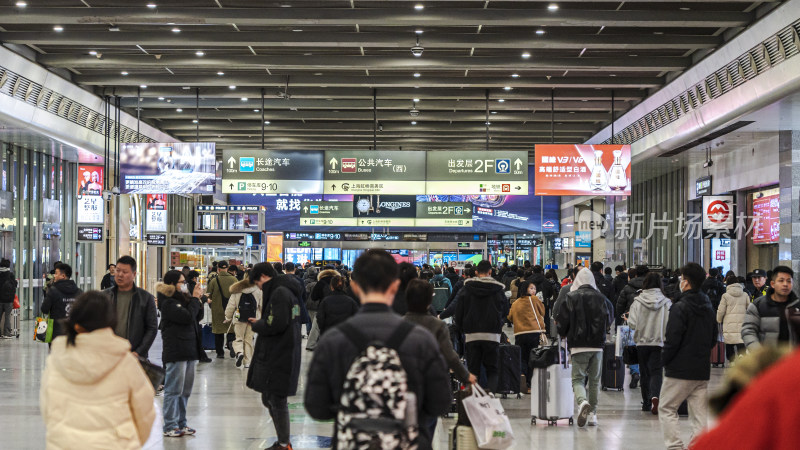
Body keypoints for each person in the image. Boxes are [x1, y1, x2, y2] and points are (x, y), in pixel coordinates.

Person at [304, 250, 450, 449]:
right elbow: (440, 403)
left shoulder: (333, 340)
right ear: (396, 286)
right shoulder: (421, 340)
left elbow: (316, 407)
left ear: (354, 285)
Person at [40, 291, 155, 449]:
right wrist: (129, 442)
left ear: (76, 322)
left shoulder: (57, 358)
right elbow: (145, 413)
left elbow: (47, 406)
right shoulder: (125, 361)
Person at [658, 262, 717, 450]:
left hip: (679, 369)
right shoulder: (708, 305)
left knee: (667, 408)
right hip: (701, 368)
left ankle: (675, 446)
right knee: (699, 414)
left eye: (682, 278)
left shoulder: (680, 306)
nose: (679, 281)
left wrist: (665, 360)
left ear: (687, 282)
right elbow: (713, 338)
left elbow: (672, 339)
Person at [246, 263, 303, 450]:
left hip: (279, 353)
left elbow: (276, 324)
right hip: (284, 349)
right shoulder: (289, 291)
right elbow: (288, 318)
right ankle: (283, 441)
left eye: (257, 282)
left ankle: (284, 443)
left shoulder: (279, 293)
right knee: (269, 397)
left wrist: (258, 325)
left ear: (263, 276)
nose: (259, 287)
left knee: (276, 399)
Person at [556, 268, 612, 428]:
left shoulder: (571, 297)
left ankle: (582, 403)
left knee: (578, 379)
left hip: (578, 345)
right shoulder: (601, 298)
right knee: (595, 381)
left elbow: (563, 321)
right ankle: (593, 414)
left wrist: (563, 333)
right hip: (598, 346)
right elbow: (608, 317)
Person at [157, 270, 204, 437]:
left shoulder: (184, 299)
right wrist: (195, 299)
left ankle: (181, 423)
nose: (184, 285)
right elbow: (186, 317)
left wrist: (197, 300)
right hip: (176, 350)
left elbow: (196, 316)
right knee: (173, 390)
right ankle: (169, 425)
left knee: (185, 390)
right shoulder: (167, 302)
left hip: (190, 349)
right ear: (172, 284)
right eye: (181, 282)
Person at [454, 259, 509, 390]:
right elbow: (505, 311)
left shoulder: (467, 289)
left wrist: (462, 329)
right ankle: (490, 398)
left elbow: (459, 311)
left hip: (472, 334)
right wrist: (498, 324)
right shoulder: (498, 290)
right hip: (492, 335)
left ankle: (475, 399)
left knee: (473, 370)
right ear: (490, 272)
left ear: (477, 272)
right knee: (492, 369)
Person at [627, 272, 671, 415]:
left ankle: (646, 403)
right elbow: (671, 323)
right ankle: (655, 397)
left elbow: (632, 324)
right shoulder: (666, 302)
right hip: (659, 342)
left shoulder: (637, 302)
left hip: (642, 343)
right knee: (657, 372)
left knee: (644, 373)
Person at [104, 256, 158, 359]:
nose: (120, 275)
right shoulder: (104, 296)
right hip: (109, 355)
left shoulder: (145, 298)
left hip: (135, 355)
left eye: (124, 272)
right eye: (118, 270)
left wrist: (139, 352)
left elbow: (152, 328)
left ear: (134, 274)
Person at [741, 266, 798, 350]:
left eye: (788, 281)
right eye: (781, 281)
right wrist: (758, 352)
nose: (785, 284)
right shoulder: (757, 303)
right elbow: (748, 330)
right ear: (773, 284)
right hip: (767, 358)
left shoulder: (797, 305)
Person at [507, 281, 546, 389]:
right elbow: (542, 312)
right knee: (532, 356)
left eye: (534, 288)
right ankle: (529, 381)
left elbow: (509, 317)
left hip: (520, 333)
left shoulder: (515, 303)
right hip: (533, 332)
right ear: (525, 289)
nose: (534, 291)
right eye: (531, 288)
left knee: (522, 357)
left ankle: (522, 377)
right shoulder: (534, 299)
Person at [616, 265, 648, 387]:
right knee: (645, 347)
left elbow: (619, 305)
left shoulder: (627, 288)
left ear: (634, 275)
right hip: (648, 323)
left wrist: (622, 316)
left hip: (631, 321)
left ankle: (635, 372)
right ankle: (645, 373)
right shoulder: (651, 288)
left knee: (632, 347)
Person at [224, 271, 263, 368]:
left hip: (239, 317)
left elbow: (231, 305)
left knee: (239, 338)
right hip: (253, 319)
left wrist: (228, 317)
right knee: (249, 339)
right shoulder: (258, 289)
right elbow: (262, 305)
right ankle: (247, 362)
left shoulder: (237, 289)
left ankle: (239, 352)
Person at [41, 263, 83, 340]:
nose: (54, 275)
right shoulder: (79, 292)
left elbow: (44, 309)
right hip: (74, 332)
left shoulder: (53, 291)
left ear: (63, 276)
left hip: (56, 332)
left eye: (56, 273)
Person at [206, 260, 237, 359]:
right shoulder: (234, 280)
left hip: (217, 309)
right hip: (231, 309)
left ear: (218, 269)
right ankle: (231, 343)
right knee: (231, 329)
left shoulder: (214, 280)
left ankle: (220, 353)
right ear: (227, 268)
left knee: (218, 331)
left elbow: (208, 294)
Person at [717, 274, 749, 362]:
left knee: (729, 342)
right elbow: (749, 308)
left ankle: (731, 361)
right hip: (742, 322)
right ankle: (742, 356)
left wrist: (719, 319)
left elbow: (721, 310)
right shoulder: (745, 294)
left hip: (729, 323)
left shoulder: (725, 296)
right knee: (740, 340)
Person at [0, 259, 17, 339]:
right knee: (7, 316)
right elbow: (15, 285)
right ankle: (6, 333)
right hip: (8, 300)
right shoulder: (10, 275)